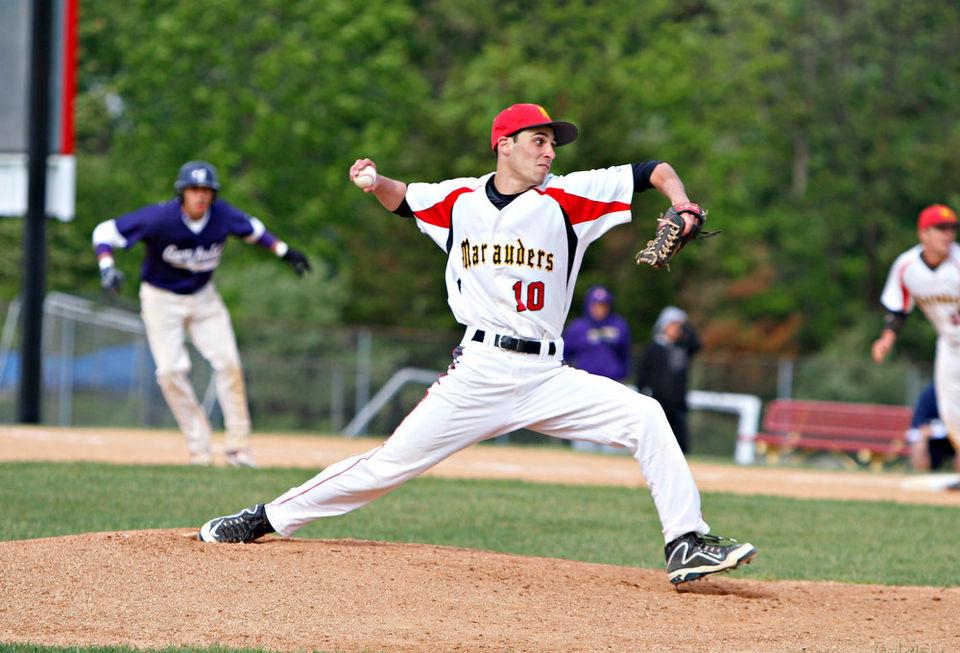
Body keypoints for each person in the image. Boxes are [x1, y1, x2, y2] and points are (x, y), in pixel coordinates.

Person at [197, 103, 756, 585]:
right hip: (479, 370)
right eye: (539, 141)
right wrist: (375, 181)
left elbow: (653, 170)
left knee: (646, 416)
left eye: (552, 144)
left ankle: (685, 541)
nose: (549, 152)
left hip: (547, 375)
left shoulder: (569, 196)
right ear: (504, 145)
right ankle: (264, 518)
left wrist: (683, 203)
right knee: (386, 466)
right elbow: (405, 200)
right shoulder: (459, 199)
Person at [91, 160, 311, 467]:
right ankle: (199, 448)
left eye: (206, 190)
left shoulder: (221, 216)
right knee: (169, 372)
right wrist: (106, 266)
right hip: (161, 298)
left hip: (204, 299)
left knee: (229, 364)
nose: (200, 196)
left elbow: (255, 231)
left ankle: (238, 448)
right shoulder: (160, 218)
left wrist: (284, 252)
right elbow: (104, 232)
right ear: (182, 192)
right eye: (194, 189)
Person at [872, 203, 960, 464]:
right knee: (951, 414)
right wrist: (887, 337)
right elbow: (898, 306)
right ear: (923, 234)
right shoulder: (906, 266)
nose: (948, 234)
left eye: (951, 228)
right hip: (949, 343)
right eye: (940, 228)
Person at [636, 306, 701, 453]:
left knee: (680, 441)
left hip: (678, 402)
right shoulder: (654, 348)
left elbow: (696, 345)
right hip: (658, 401)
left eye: (679, 326)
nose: (676, 330)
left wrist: (686, 326)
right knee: (655, 439)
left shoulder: (682, 347)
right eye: (673, 325)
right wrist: (643, 393)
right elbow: (643, 374)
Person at [562, 285, 632, 382]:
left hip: (613, 380)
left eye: (603, 305)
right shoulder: (577, 327)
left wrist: (624, 374)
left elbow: (625, 353)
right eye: (595, 305)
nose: (599, 309)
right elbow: (565, 354)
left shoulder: (619, 325)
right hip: (586, 381)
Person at [905, 382, 958, 473]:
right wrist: (925, 432)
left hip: (955, 437)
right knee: (919, 442)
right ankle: (921, 476)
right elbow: (918, 426)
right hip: (934, 441)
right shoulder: (931, 392)